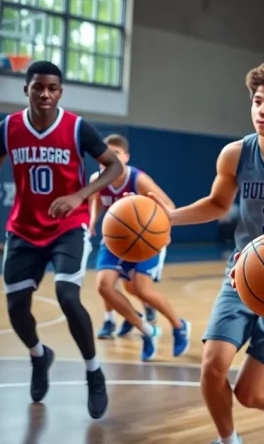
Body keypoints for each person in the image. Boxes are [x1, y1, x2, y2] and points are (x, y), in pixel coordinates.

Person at [150, 61, 264, 444]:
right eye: (256, 102)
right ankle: (228, 440)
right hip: (242, 276)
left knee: (249, 394)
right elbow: (218, 204)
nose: (261, 110)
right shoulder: (236, 154)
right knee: (212, 366)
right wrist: (171, 218)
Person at [0, 61, 121, 419]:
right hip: (23, 228)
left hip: (68, 225)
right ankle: (39, 355)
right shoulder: (8, 128)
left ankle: (94, 371)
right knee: (17, 307)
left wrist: (81, 195)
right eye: (38, 87)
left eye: (52, 88)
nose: (45, 93)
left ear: (60, 92)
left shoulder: (78, 128)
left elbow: (114, 167)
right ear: (27, 90)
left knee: (67, 294)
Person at [90, 134, 190, 361]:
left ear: (126, 157)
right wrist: (93, 221)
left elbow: (169, 205)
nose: (110, 158)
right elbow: (96, 200)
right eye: (106, 154)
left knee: (139, 289)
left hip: (146, 237)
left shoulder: (138, 179)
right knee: (104, 285)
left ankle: (178, 325)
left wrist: (165, 232)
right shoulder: (98, 179)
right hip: (115, 239)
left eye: (115, 153)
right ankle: (146, 330)